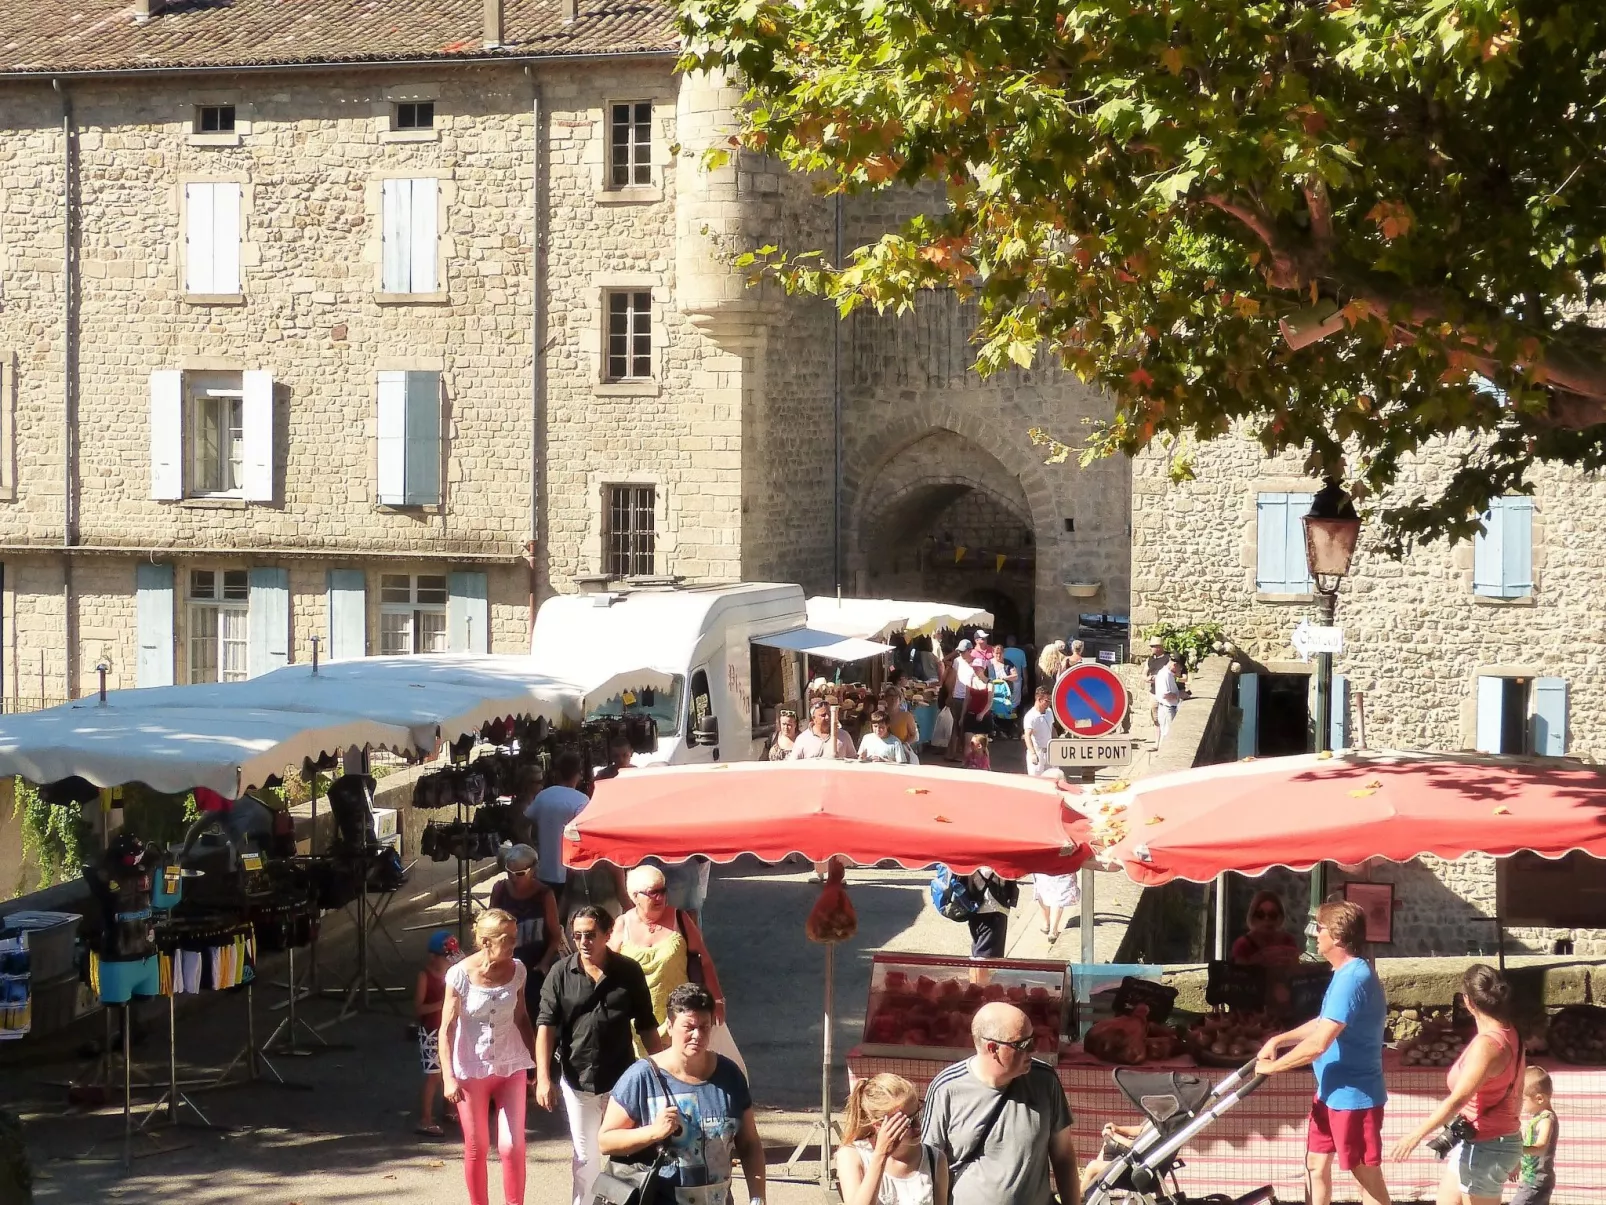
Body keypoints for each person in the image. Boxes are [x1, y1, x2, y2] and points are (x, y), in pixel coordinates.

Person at [1256, 900, 1390, 1205]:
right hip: (1331, 1092)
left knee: (1364, 1175)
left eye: (1320, 928)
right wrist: (1279, 1040)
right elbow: (1324, 1022)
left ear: (1339, 937)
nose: (1315, 935)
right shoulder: (1345, 973)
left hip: (1355, 1097)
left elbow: (1319, 1043)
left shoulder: (1353, 978)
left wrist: (1273, 1068)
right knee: (1315, 1165)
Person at [535, 905, 665, 1205]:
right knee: (586, 1157)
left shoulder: (628, 972)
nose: (583, 942)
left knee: (623, 1150)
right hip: (577, 1078)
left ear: (607, 934)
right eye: (577, 935)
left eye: (591, 935)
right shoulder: (560, 973)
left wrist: (661, 1070)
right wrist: (543, 1078)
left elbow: (646, 1024)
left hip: (621, 1080)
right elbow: (546, 1026)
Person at [598, 982, 766, 1205]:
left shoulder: (730, 1076)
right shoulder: (642, 1076)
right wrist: (653, 1132)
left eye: (704, 1027)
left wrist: (758, 1196)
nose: (697, 1035)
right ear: (669, 1025)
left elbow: (749, 1144)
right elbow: (606, 1140)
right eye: (689, 1027)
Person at [1389, 964, 1525, 1205]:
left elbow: (1458, 1100)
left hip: (1488, 1145)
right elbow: (1518, 1092)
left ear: (1467, 1001)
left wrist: (1416, 1135)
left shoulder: (1488, 1046)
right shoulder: (1510, 1032)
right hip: (1483, 1139)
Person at [922, 1001, 1080, 1205]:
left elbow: (1063, 1155)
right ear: (992, 1048)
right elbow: (927, 1163)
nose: (1034, 1049)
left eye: (1033, 1039)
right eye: (1023, 1044)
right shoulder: (946, 1088)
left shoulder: (1044, 1080)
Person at [439, 909, 537, 1205]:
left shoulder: (518, 969)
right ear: (485, 941)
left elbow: (522, 1017)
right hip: (471, 1069)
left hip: (511, 1064)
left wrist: (536, 1064)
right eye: (506, 939)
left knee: (513, 1146)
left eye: (514, 938)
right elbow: (446, 1028)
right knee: (477, 1146)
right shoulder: (459, 975)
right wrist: (448, 1078)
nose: (513, 945)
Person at [610, 864, 729, 1036]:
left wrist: (717, 1001)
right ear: (635, 896)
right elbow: (606, 967)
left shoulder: (681, 919)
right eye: (652, 892)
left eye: (663, 891)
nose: (660, 897)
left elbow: (705, 961)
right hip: (636, 1020)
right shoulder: (622, 924)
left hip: (680, 1015)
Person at [837, 1072, 944, 1205]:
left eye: (918, 1114)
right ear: (877, 1125)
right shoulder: (852, 1155)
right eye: (906, 1122)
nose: (917, 1126)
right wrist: (880, 1155)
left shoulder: (934, 1159)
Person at [489, 844, 563, 992]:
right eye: (510, 872)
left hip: (535, 964)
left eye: (520, 873)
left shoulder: (544, 895)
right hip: (506, 965)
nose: (514, 878)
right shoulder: (500, 890)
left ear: (533, 870)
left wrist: (544, 963)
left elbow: (555, 935)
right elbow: (489, 929)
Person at [524, 750, 590, 912]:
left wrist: (532, 848)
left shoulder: (543, 796)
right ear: (578, 775)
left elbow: (523, 824)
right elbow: (585, 838)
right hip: (570, 872)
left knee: (545, 916)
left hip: (543, 870)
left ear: (556, 773)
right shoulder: (581, 800)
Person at [414, 929, 460, 1137]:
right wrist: (443, 1004)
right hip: (431, 1031)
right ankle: (425, 1119)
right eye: (445, 958)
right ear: (433, 957)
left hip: (451, 1029)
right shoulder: (425, 976)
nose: (448, 962)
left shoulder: (453, 974)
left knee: (451, 1071)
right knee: (434, 1076)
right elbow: (418, 1008)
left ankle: (449, 1109)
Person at [1512, 1065, 1558, 1205]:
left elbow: (1541, 1147)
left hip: (1536, 1183)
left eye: (1523, 1100)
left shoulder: (1546, 1119)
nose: (1520, 1104)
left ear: (1539, 1099)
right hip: (1531, 1180)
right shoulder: (1537, 1117)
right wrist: (1517, 1162)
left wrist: (1516, 1150)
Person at [1231, 890, 1301, 967]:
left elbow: (1294, 971)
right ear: (1252, 916)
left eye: (1272, 915)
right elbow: (1239, 974)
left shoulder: (1288, 941)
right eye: (1260, 914)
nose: (1266, 919)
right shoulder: (1242, 945)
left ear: (1280, 917)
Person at [966, 867, 1015, 959]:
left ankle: (976, 973)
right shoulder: (995, 858)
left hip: (975, 907)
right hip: (992, 907)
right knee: (986, 958)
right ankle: (981, 973)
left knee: (977, 954)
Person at [790, 699, 856, 760]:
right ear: (814, 718)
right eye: (823, 715)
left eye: (829, 714)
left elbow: (853, 760)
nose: (827, 717)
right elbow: (793, 764)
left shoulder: (844, 736)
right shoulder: (803, 739)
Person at [1031, 870, 1078, 941]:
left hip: (1041, 864)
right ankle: (1053, 931)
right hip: (1061, 864)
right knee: (1059, 894)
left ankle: (1046, 924)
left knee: (1042, 890)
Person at [1023, 686, 1056, 779]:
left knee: (1053, 778)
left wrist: (1057, 745)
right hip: (1038, 752)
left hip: (1050, 751)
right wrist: (1033, 753)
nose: (1049, 703)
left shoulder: (1049, 712)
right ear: (1039, 699)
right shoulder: (1030, 716)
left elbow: (1052, 728)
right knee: (1036, 780)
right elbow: (1027, 736)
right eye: (1047, 701)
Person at [1152, 654, 1182, 746]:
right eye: (1180, 668)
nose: (1179, 671)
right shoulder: (1165, 675)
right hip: (1167, 709)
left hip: (1168, 708)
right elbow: (1165, 694)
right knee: (1167, 734)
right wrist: (1179, 695)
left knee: (1167, 733)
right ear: (1175, 665)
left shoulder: (1168, 674)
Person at [880, 686, 921, 751]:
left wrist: (903, 746)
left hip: (902, 750)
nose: (893, 698)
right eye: (890, 695)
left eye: (896, 696)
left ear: (900, 699)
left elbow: (914, 735)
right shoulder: (880, 715)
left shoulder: (907, 716)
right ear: (885, 698)